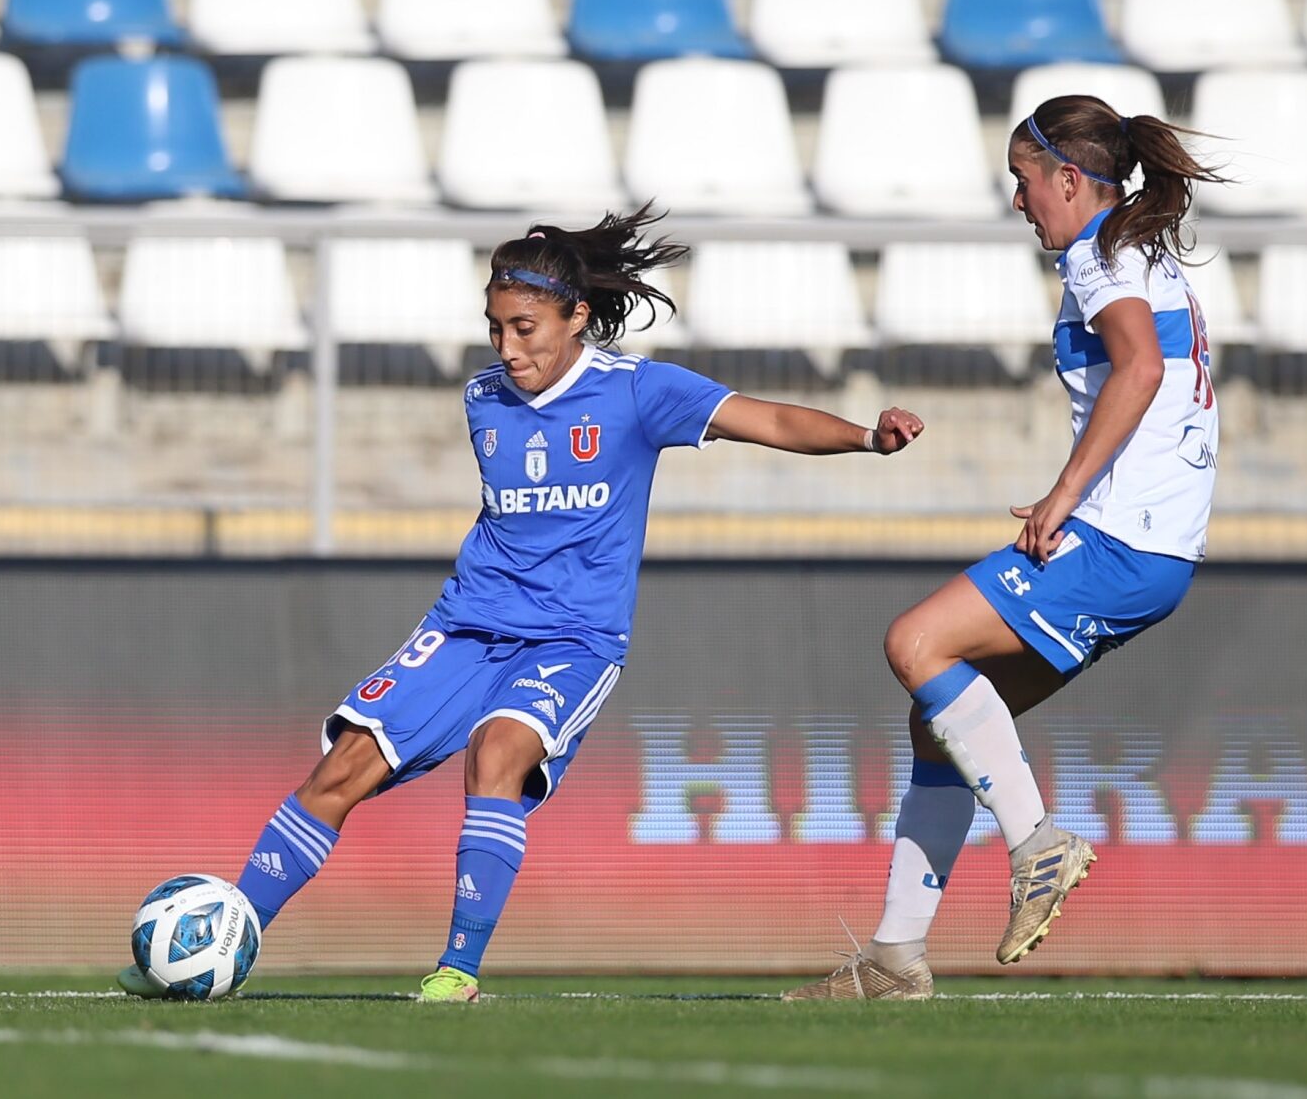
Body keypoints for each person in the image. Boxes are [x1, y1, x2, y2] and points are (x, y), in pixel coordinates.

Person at [120, 205, 924, 1003]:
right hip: (465, 628)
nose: (508, 348)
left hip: (571, 641)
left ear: (577, 317)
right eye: (496, 328)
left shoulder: (639, 392)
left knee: (497, 753)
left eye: (526, 328)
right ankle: (229, 941)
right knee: (344, 766)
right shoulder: (485, 399)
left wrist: (865, 436)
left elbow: (771, 417)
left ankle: (456, 972)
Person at [787, 96, 1224, 1000]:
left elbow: (1140, 369)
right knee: (936, 723)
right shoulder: (1137, 253)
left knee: (914, 644)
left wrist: (1064, 495)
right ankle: (895, 958)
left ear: (1071, 179)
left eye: (1025, 183)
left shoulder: (1099, 256)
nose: (1020, 201)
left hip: (1117, 537)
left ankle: (1037, 844)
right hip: (1159, 552)